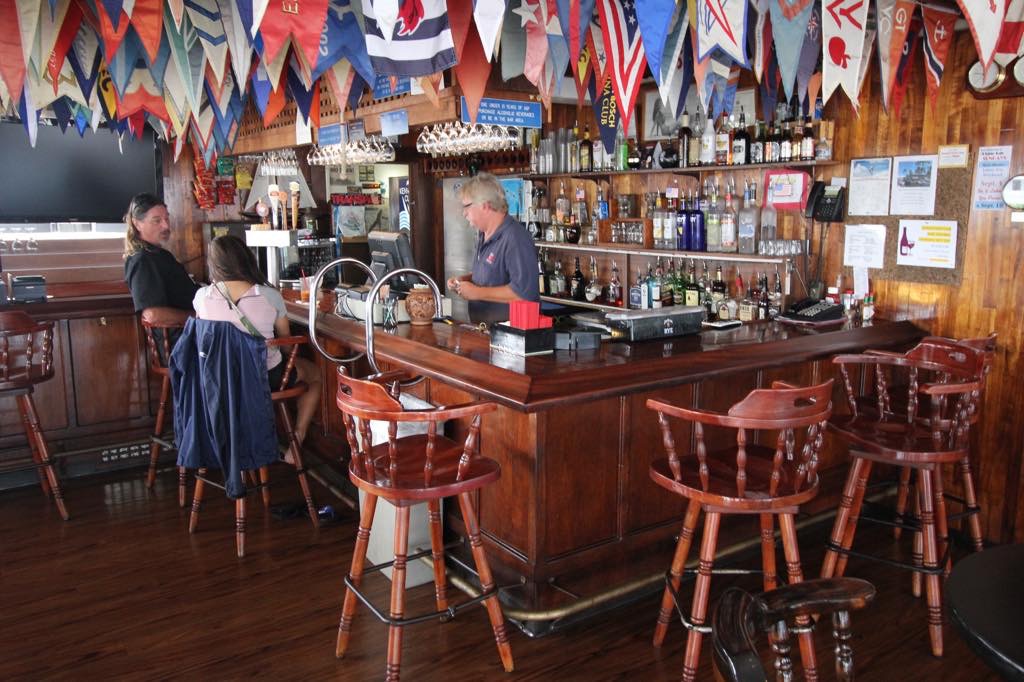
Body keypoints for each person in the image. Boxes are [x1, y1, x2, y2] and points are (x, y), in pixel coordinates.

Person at [193, 235, 323, 458]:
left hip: (219, 380)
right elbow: (285, 342)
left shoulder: (202, 297)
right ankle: (296, 441)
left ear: (213, 264)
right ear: (246, 259)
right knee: (315, 375)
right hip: (265, 377)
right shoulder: (269, 295)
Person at [446, 172, 539, 323]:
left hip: (509, 334)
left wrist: (477, 292)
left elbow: (522, 293)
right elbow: (493, 274)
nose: (464, 213)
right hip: (483, 329)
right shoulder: (483, 235)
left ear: (485, 205)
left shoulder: (515, 238)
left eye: (467, 206)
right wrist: (464, 281)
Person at [123, 193, 199, 327]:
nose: (166, 226)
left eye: (166, 219)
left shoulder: (160, 255)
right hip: (183, 336)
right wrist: (197, 316)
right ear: (137, 224)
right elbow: (153, 315)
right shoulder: (142, 261)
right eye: (157, 221)